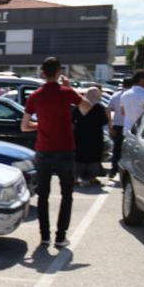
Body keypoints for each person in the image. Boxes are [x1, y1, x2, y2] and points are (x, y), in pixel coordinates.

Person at [22, 56, 89, 248]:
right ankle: (61, 236)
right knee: (67, 194)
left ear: (42, 73)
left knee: (43, 195)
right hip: (66, 150)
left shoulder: (35, 96)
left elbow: (24, 126)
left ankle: (44, 236)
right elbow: (87, 108)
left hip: (44, 150)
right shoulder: (67, 92)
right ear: (59, 72)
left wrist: (40, 124)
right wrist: (70, 88)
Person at [72, 86, 108, 187]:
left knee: (78, 156)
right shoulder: (99, 108)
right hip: (95, 136)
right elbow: (104, 121)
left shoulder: (79, 106)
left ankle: (75, 178)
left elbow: (72, 120)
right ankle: (92, 177)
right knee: (93, 157)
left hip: (79, 136)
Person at [106, 77, 133, 178]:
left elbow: (108, 109)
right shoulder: (132, 95)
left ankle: (114, 169)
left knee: (117, 148)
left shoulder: (116, 95)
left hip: (118, 124)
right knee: (129, 150)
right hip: (131, 125)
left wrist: (110, 125)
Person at [120, 70, 144, 135]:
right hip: (140, 132)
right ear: (141, 79)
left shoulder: (125, 94)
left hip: (127, 130)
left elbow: (123, 113)